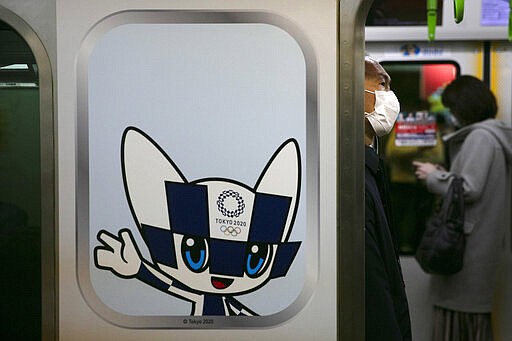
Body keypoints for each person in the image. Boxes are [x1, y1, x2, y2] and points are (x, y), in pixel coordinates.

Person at [413, 75, 512, 341]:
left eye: (452, 108)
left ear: (465, 107)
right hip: (479, 242)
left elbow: (469, 188)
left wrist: (433, 176)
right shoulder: (490, 136)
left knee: (459, 320)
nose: (450, 114)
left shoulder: (480, 137)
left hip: (470, 247)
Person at [364, 56, 412, 341]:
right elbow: (373, 284)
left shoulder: (370, 168)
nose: (389, 97)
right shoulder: (350, 180)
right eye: (381, 84)